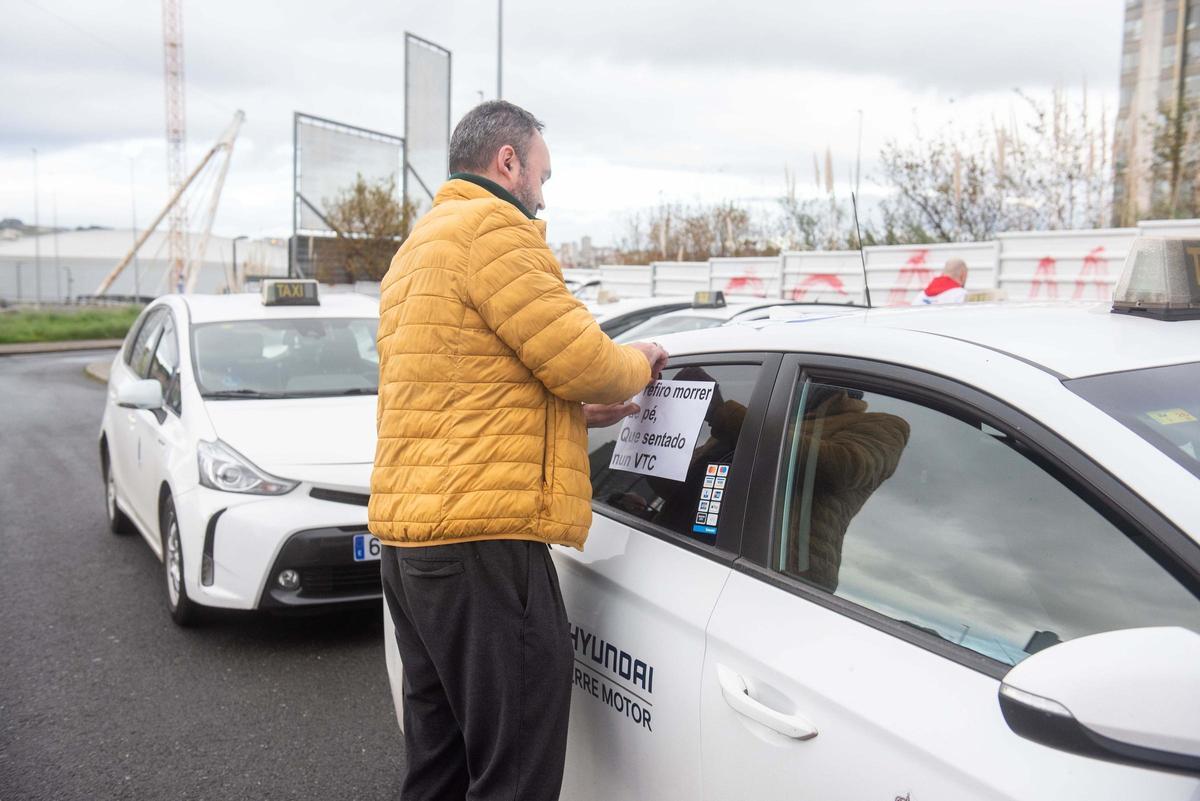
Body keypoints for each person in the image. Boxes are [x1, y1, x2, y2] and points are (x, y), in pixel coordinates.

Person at [369, 100, 668, 801]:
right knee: (516, 772)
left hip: (412, 544)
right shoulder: (495, 227)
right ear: (509, 161)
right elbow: (584, 358)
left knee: (439, 761)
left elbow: (469, 388)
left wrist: (571, 414)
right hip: (484, 544)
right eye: (543, 173)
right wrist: (642, 360)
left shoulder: (421, 245)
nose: (542, 192)